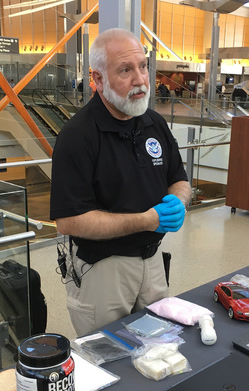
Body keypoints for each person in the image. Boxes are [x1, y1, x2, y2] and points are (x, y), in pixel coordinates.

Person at [50, 28, 192, 336]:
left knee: (159, 348)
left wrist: (178, 201)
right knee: (108, 355)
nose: (140, 80)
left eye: (143, 66)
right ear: (98, 79)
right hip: (103, 270)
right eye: (125, 70)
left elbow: (179, 179)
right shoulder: (77, 136)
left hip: (153, 262)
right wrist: (147, 220)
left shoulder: (154, 123)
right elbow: (70, 221)